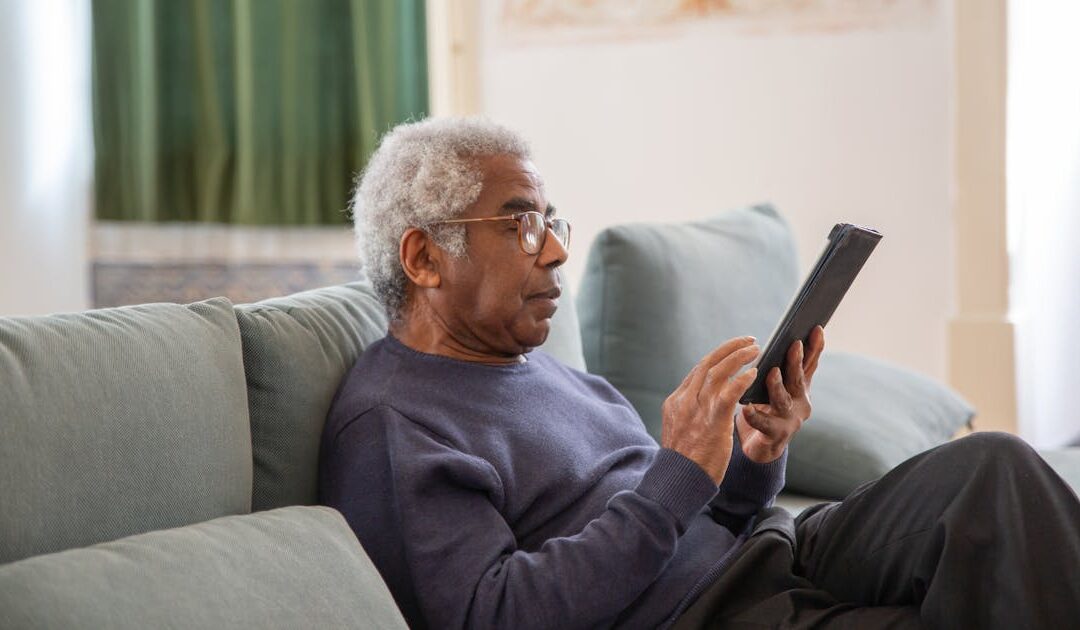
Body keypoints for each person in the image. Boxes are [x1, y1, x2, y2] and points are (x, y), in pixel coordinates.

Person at [318, 117, 1080, 629]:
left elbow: (708, 517)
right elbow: (497, 613)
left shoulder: (554, 377)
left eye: (552, 222)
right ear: (423, 257)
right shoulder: (395, 423)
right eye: (521, 223)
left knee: (995, 471)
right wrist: (676, 473)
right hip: (705, 614)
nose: (553, 250)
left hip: (772, 555)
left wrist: (753, 457)